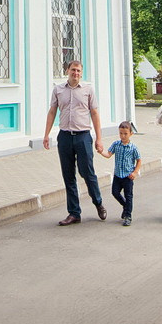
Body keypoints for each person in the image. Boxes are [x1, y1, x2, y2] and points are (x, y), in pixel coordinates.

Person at [42, 60, 106, 225]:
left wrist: (99, 138)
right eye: (73, 70)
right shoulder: (58, 90)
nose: (75, 73)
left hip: (83, 136)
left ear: (81, 73)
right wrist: (46, 134)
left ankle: (98, 202)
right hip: (64, 137)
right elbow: (52, 112)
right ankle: (74, 213)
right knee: (68, 175)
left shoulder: (88, 90)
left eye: (78, 71)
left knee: (87, 173)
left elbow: (95, 114)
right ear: (67, 71)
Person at [96, 121, 142, 226]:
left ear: (131, 134)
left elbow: (139, 160)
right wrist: (101, 151)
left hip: (128, 176)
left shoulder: (133, 148)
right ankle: (125, 206)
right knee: (115, 192)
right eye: (121, 133)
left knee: (128, 195)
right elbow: (108, 154)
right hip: (118, 175)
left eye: (125, 133)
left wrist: (135, 172)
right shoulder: (116, 144)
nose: (123, 136)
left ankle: (128, 216)